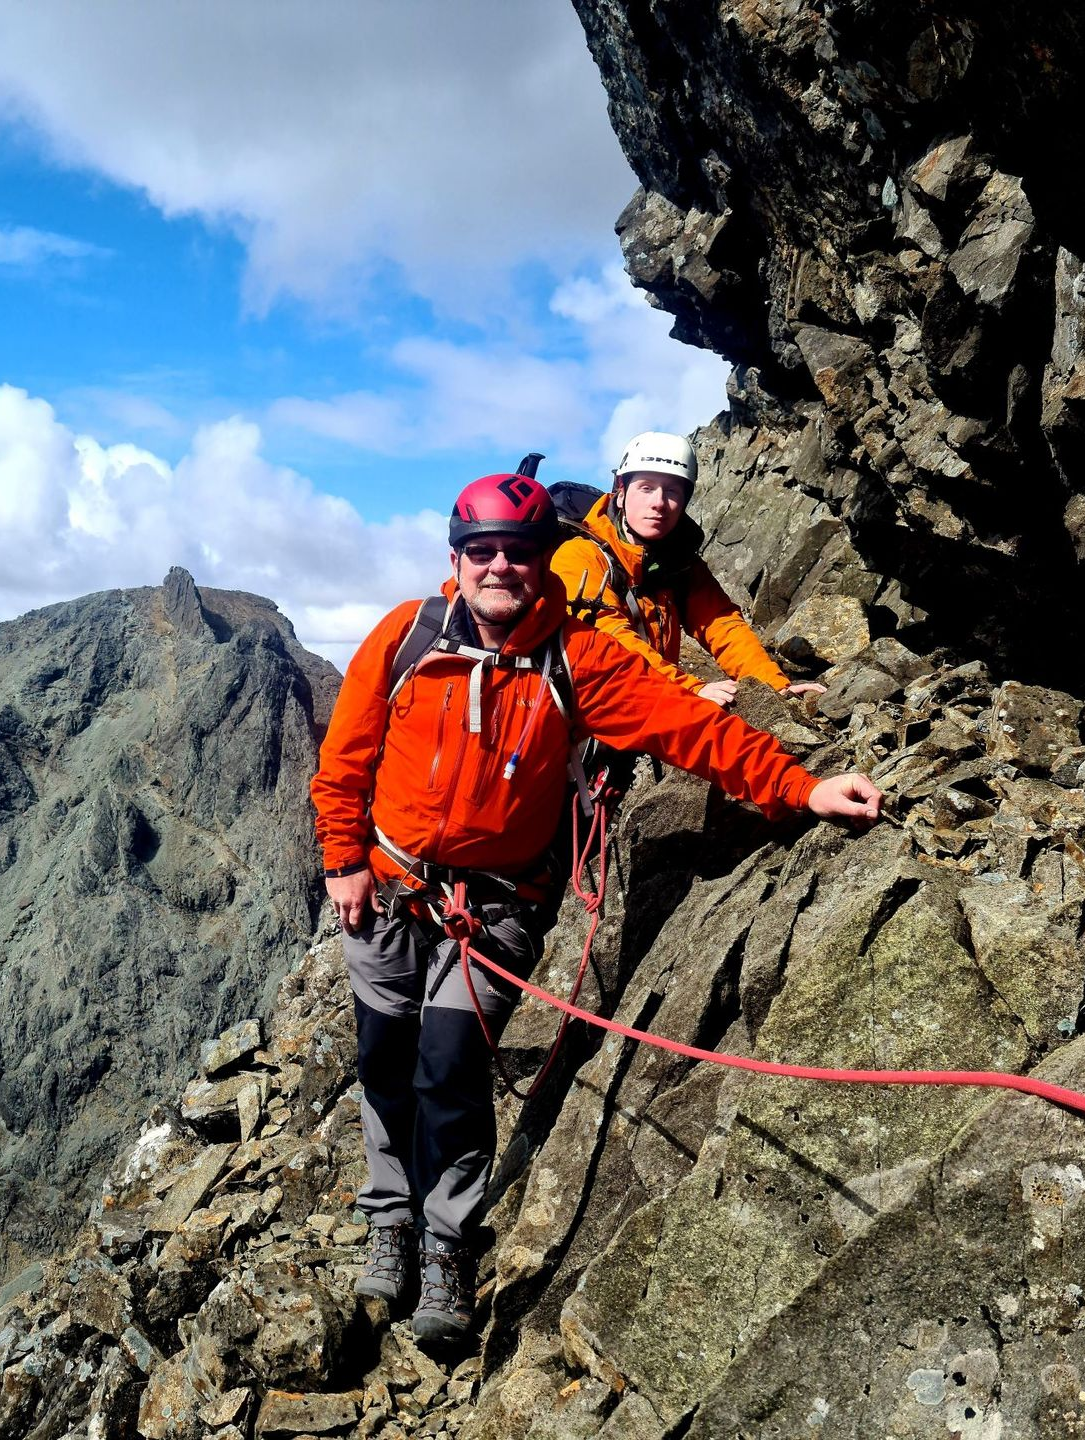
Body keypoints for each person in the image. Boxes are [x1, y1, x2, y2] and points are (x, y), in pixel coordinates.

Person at [310, 472, 881, 1348]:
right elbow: (346, 757)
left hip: (491, 911)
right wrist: (344, 860)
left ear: (547, 562)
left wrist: (801, 787)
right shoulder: (405, 637)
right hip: (385, 892)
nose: (502, 566)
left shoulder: (578, 657)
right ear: (454, 559)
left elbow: (688, 729)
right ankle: (391, 1216)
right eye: (484, 551)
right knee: (386, 1061)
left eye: (521, 552)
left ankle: (447, 1243)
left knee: (449, 1069)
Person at [551, 431, 825, 707]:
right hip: (584, 717)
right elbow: (610, 642)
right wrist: (688, 689)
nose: (658, 502)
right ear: (621, 493)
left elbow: (721, 624)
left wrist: (776, 687)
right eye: (646, 488)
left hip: (649, 705)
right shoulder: (579, 556)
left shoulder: (679, 561)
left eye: (671, 491)